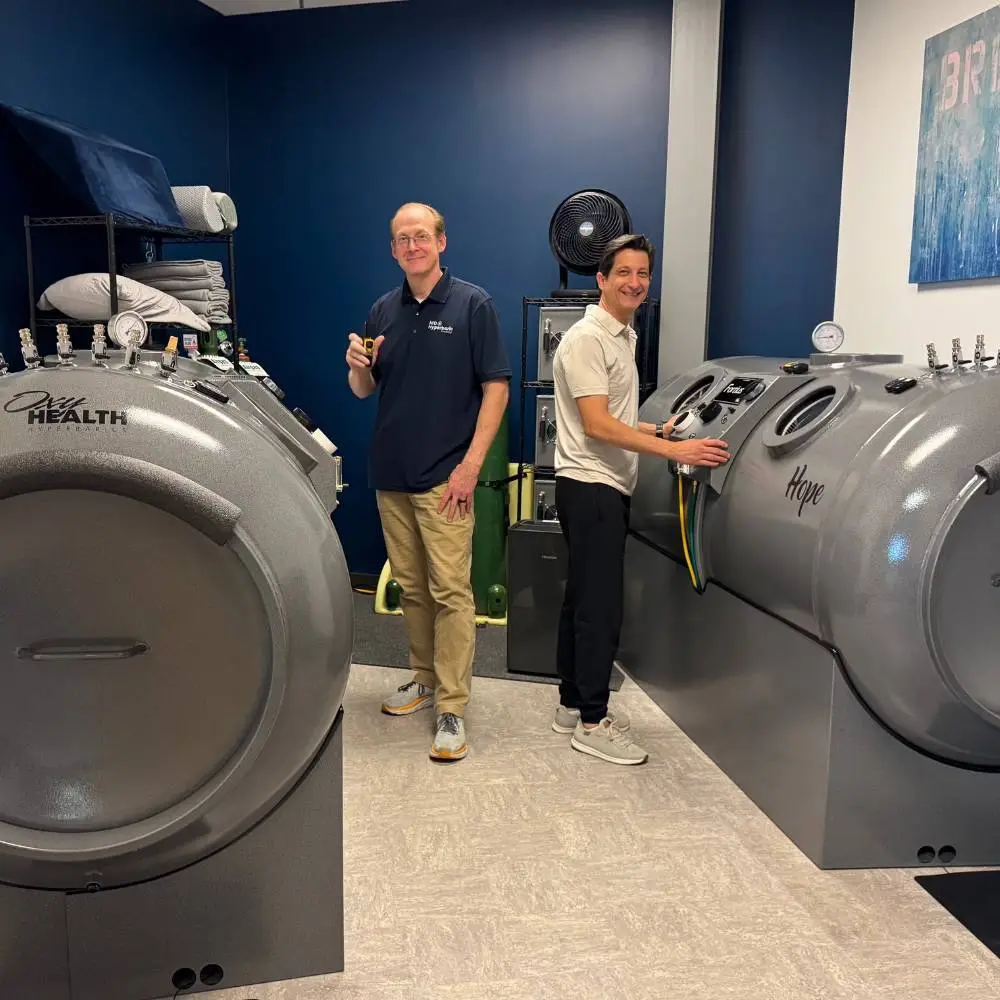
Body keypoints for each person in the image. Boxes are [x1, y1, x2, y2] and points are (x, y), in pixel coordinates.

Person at [550, 233, 730, 765]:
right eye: (624, 273)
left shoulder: (621, 336)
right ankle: (592, 719)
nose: (635, 283)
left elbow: (616, 417)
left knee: (581, 597)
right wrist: (680, 450)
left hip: (598, 482)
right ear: (601, 280)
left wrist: (662, 430)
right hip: (592, 486)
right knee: (601, 606)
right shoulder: (588, 340)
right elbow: (597, 424)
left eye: (643, 274)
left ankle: (570, 704)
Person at [345, 202, 511, 762]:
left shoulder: (472, 304)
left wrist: (470, 467)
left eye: (421, 236)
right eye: (401, 239)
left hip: (446, 477)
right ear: (393, 250)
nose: (412, 246)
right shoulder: (382, 311)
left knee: (450, 592)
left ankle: (453, 707)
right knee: (413, 590)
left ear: (441, 242)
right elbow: (365, 390)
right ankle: (423, 678)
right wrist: (357, 365)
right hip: (390, 473)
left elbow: (496, 388)